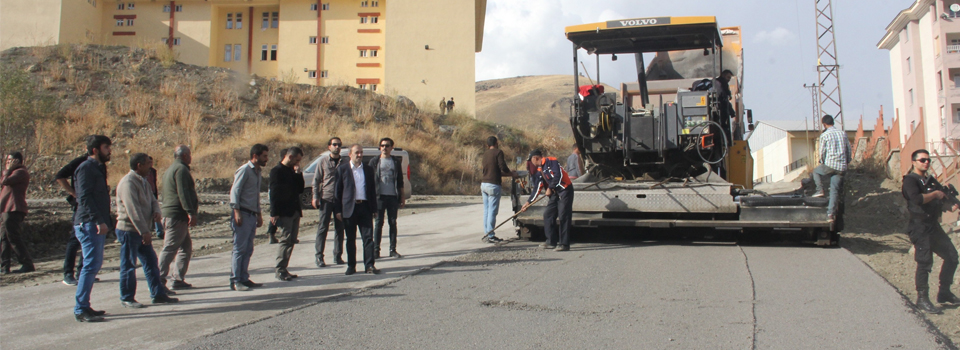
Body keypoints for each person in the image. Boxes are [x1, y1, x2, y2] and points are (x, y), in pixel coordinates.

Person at [115, 154, 178, 308]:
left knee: (151, 262)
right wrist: (144, 231)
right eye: (148, 164)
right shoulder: (128, 183)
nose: (151, 168)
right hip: (129, 230)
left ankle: (158, 294)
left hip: (143, 231)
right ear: (138, 165)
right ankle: (127, 297)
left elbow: (153, 200)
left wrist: (156, 212)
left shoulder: (144, 182)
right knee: (129, 265)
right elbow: (132, 210)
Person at [902, 149, 960, 314]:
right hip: (919, 226)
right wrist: (935, 194)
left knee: (952, 256)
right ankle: (922, 298)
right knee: (925, 262)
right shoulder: (910, 180)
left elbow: (943, 202)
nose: (926, 162)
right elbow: (917, 199)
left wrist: (951, 206)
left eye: (928, 160)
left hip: (933, 226)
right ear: (914, 162)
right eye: (922, 160)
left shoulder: (931, 180)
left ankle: (944, 292)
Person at [72, 135, 113, 322]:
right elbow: (84, 197)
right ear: (95, 150)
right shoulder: (86, 168)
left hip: (95, 222)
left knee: (93, 265)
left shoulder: (98, 168)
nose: (109, 151)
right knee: (89, 266)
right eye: (106, 147)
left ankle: (85, 305)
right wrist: (98, 220)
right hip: (89, 223)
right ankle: (80, 309)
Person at [334, 144, 380, 275]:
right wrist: (338, 210)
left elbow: (372, 190)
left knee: (368, 238)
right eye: (356, 153)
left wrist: (374, 208)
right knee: (350, 239)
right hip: (349, 208)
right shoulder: (342, 169)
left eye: (361, 152)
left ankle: (369, 265)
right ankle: (351, 266)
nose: (359, 155)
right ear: (350, 154)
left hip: (365, 207)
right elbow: (337, 192)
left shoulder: (368, 169)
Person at [159, 145, 199, 291]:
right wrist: (190, 211)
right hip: (177, 215)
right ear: (184, 156)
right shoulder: (181, 170)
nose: (191, 157)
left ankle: (178, 278)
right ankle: (159, 280)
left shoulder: (171, 169)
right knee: (170, 248)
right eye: (189, 154)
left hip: (174, 215)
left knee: (185, 247)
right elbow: (183, 192)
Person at [229, 144, 268, 291]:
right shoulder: (244, 170)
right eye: (264, 156)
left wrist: (258, 214)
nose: (267, 159)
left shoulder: (257, 172)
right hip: (243, 214)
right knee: (239, 248)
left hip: (252, 214)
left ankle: (244, 277)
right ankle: (235, 280)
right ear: (255, 156)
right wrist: (236, 211)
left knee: (248, 248)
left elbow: (255, 195)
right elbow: (235, 191)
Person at [520, 149, 574, 252]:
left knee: (563, 216)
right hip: (555, 193)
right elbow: (537, 188)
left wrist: (550, 187)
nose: (531, 163)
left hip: (565, 190)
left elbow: (558, 176)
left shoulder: (551, 161)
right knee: (548, 214)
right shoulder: (540, 170)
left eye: (531, 160)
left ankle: (564, 244)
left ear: (535, 158)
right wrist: (528, 203)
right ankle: (551, 241)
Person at [56, 154, 93, 285]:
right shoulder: (81, 162)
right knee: (75, 240)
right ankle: (68, 273)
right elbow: (60, 176)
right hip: (80, 208)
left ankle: (82, 271)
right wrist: (74, 194)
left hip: (92, 206)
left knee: (89, 238)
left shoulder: (98, 164)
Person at [270, 146, 305, 281]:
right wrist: (274, 213)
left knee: (291, 240)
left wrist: (298, 173)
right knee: (285, 240)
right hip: (284, 212)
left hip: (294, 210)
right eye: (296, 160)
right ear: (289, 157)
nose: (297, 163)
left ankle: (285, 268)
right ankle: (279, 269)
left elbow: (300, 189)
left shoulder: (292, 171)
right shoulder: (277, 171)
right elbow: (274, 193)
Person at [369, 138, 405, 258]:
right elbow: (369, 181)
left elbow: (400, 180)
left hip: (392, 196)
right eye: (382, 145)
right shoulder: (374, 161)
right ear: (379, 147)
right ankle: (375, 250)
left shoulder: (395, 162)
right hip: (379, 197)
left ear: (391, 148)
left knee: (393, 222)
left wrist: (402, 197)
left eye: (387, 145)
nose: (384, 147)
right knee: (378, 223)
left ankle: (392, 249)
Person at [313, 137, 345, 267]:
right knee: (322, 228)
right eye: (334, 144)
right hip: (326, 198)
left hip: (341, 200)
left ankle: (338, 255)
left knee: (340, 229)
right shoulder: (323, 161)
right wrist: (315, 197)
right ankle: (319, 256)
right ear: (329, 147)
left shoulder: (345, 162)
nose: (337, 147)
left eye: (339, 145)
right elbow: (316, 180)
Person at [812, 115, 851, 221]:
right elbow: (848, 149)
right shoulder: (843, 133)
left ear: (824, 124)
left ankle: (819, 190)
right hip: (841, 167)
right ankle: (830, 214)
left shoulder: (825, 135)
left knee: (816, 172)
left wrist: (822, 161)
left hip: (830, 165)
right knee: (834, 190)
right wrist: (847, 162)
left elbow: (822, 151)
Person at [480, 136, 518, 243]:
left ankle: (487, 233)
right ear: (497, 143)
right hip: (493, 185)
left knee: (486, 211)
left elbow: (493, 171)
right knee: (492, 211)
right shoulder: (498, 152)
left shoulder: (485, 154)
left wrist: (510, 174)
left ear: (487, 145)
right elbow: (503, 167)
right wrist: (511, 173)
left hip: (484, 184)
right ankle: (491, 235)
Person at [1, 151, 33, 274]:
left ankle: (27, 263)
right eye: (7, 161)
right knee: (4, 238)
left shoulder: (20, 172)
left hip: (14, 208)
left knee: (13, 237)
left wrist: (8, 170)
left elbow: (5, 181)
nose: (8, 163)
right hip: (6, 209)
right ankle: (4, 266)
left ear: (18, 162)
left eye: (11, 161)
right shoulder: (12, 173)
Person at [266, 148, 288, 245]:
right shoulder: (277, 170)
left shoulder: (289, 170)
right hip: (277, 196)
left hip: (285, 197)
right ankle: (272, 233)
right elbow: (273, 189)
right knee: (275, 215)